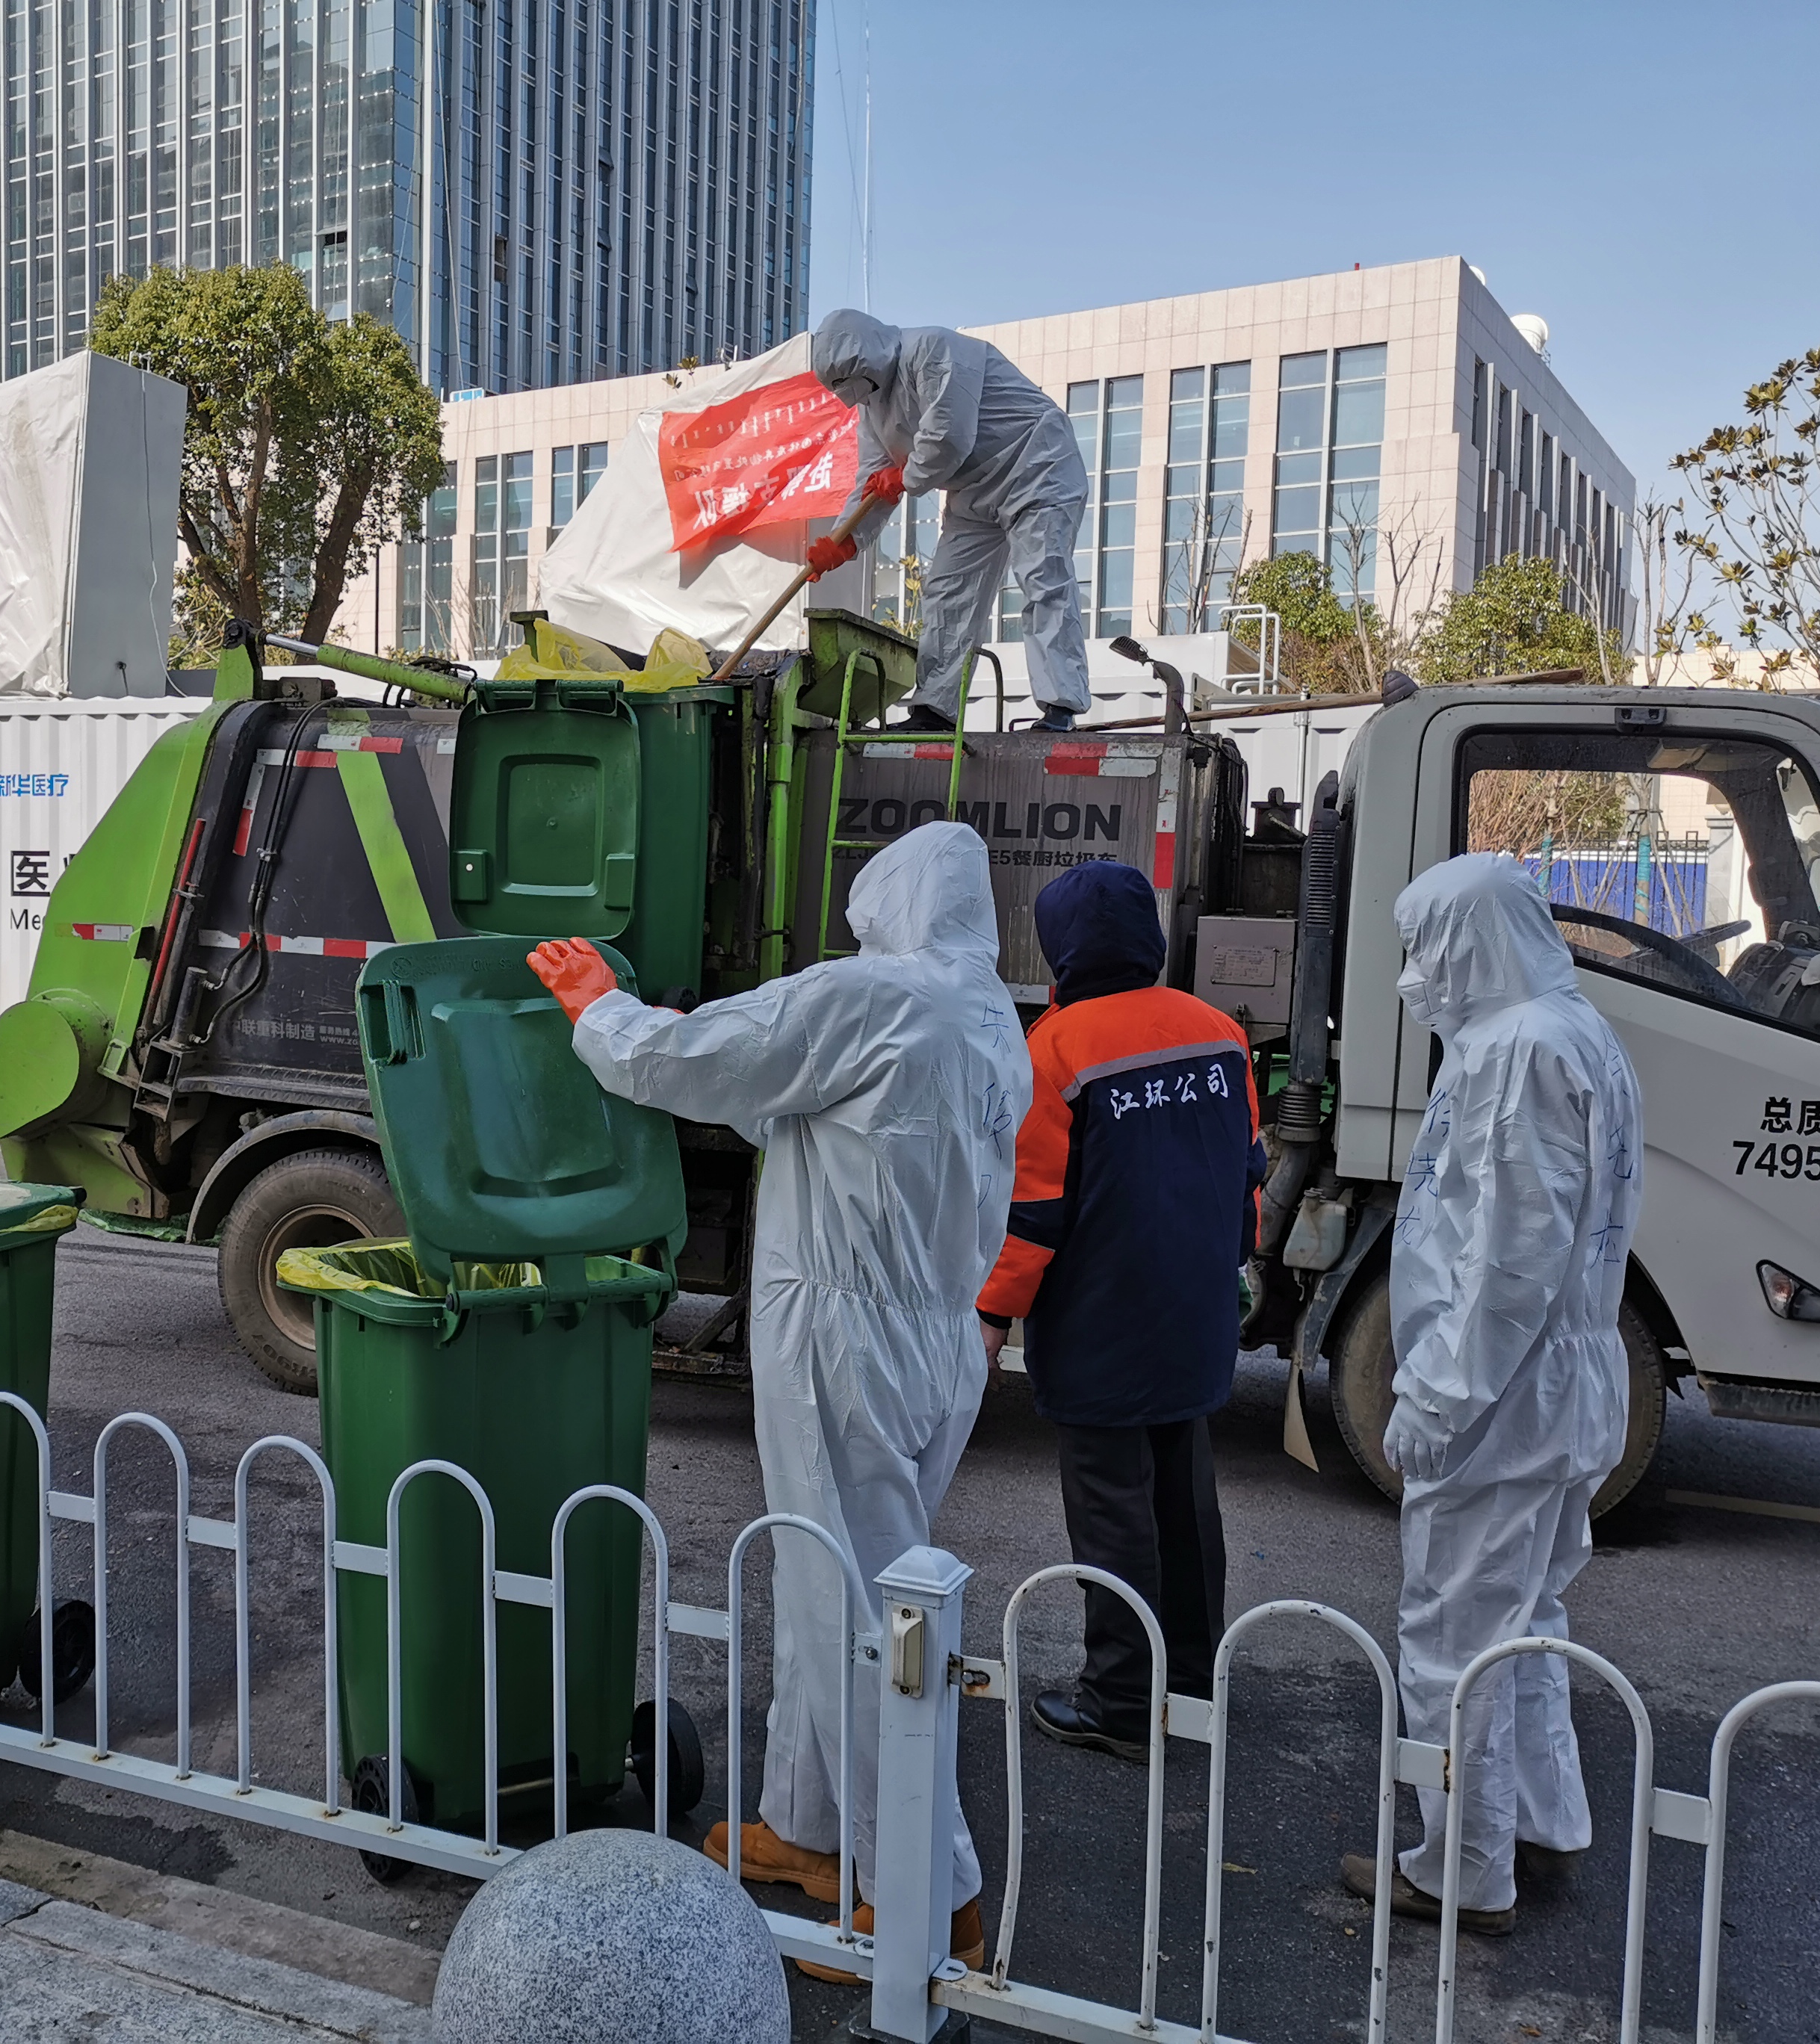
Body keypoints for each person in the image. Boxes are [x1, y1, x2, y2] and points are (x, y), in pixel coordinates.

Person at [525, 822, 1028, 1973]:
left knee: (858, 1622)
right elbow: (805, 1104)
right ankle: (809, 1828)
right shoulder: (989, 1018)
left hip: (844, 1340)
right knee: (834, 1595)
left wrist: (600, 1008)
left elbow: (696, 1060)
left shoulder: (874, 994)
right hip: (936, 1339)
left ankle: (926, 1898)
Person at [1341, 852, 1643, 1937]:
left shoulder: (1518, 1051)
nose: (1415, 974)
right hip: (1560, 1381)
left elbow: (1508, 1258)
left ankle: (1462, 1870)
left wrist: (1436, 1393)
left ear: (1472, 943)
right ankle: (1543, 1823)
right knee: (1526, 1620)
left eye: (1426, 948)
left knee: (1452, 1637)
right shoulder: (1574, 1031)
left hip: (1503, 1396)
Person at [974, 862, 1261, 1760]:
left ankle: (1125, 1703)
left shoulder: (1055, 1049)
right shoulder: (1219, 1033)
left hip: (1104, 1321)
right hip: (1195, 1311)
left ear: (1061, 945)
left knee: (1112, 1510)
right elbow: (1246, 1175)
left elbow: (1033, 1214)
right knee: (1185, 1500)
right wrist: (1228, 1265)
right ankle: (1192, 1684)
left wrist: (991, 1316)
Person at [806, 308, 1093, 734]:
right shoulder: (873, 406)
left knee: (1042, 577)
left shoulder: (933, 350)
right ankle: (935, 711)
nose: (854, 396)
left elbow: (949, 437)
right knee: (948, 591)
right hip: (974, 491)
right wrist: (844, 539)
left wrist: (905, 477)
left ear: (870, 357)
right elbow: (873, 478)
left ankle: (1060, 706)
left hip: (1037, 463)